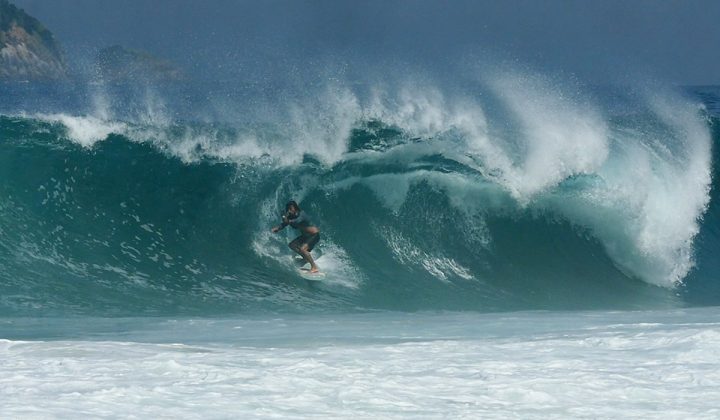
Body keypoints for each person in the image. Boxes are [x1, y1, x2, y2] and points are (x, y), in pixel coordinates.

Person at [271, 200, 321, 273]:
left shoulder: (302, 214)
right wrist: (278, 228)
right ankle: (306, 258)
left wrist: (285, 218)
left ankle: (314, 267)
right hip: (305, 236)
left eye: (291, 208)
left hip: (314, 235)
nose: (290, 211)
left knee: (303, 249)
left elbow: (297, 221)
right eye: (288, 209)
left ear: (296, 208)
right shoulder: (291, 217)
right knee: (292, 245)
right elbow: (285, 224)